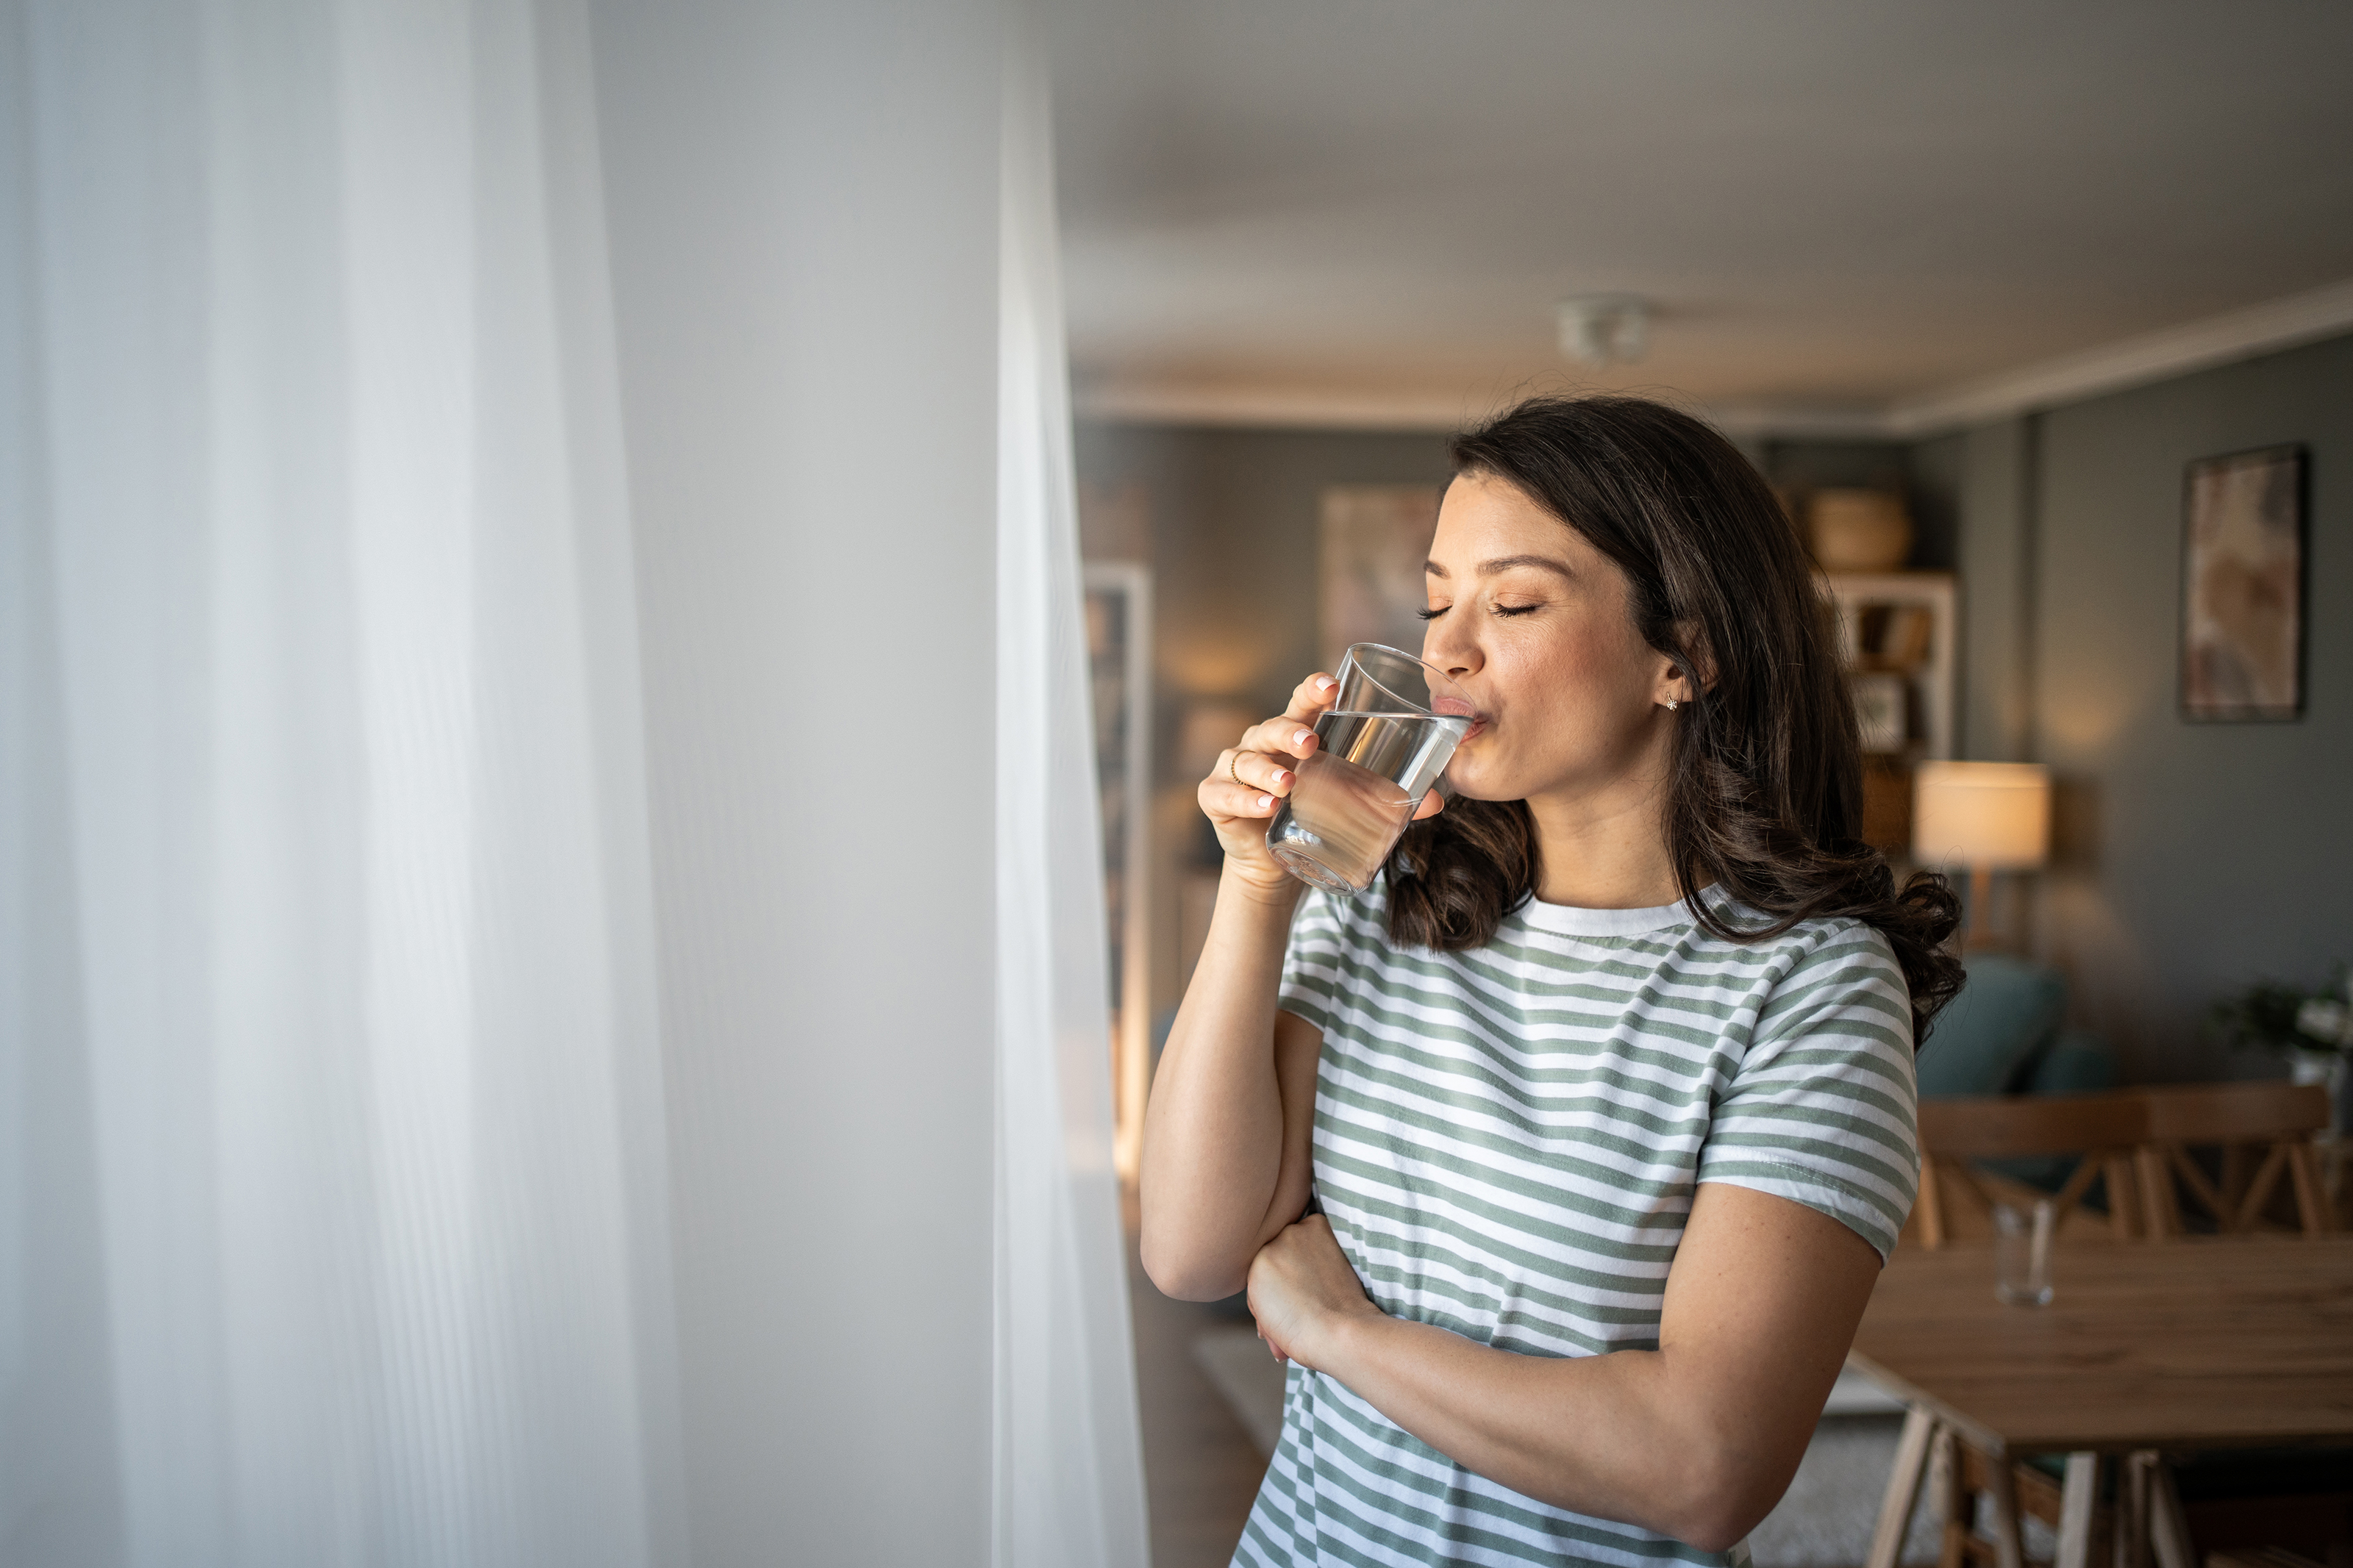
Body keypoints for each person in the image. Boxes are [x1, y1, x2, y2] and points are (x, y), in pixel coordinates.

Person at [1137, 394, 1963, 1568]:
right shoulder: (1385, 895)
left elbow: (1706, 1464)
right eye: (1436, 599)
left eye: (1513, 602)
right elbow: (1190, 1248)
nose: (1444, 649)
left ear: (1687, 653)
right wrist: (1258, 884)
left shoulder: (1811, 990)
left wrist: (1341, 1333)